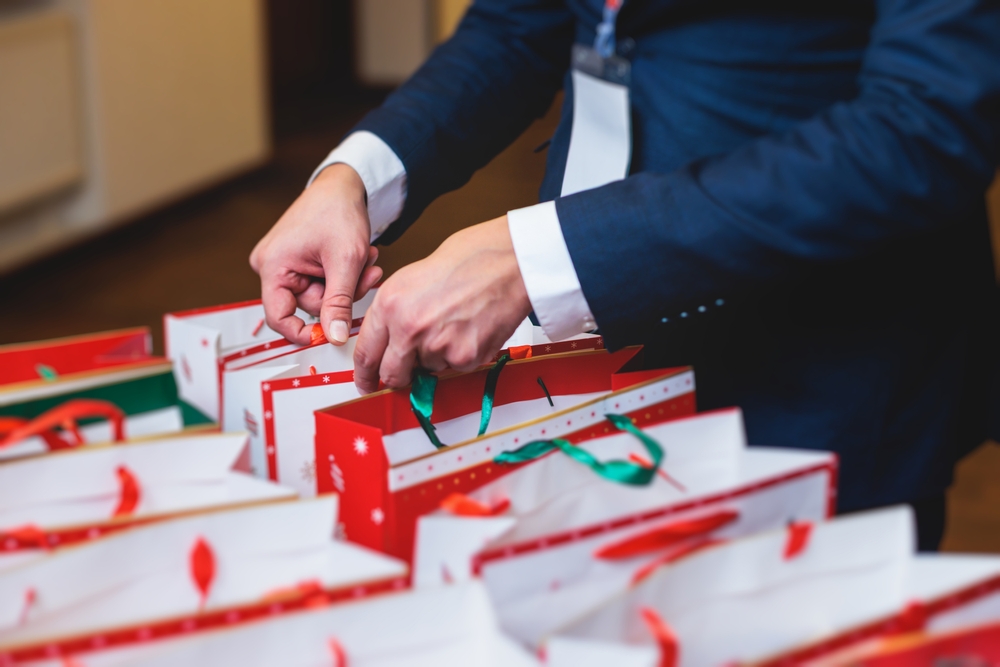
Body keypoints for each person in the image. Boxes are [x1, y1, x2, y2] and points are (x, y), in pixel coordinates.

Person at [250, 0, 1000, 550]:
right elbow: (518, 24)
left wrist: (537, 260)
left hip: (822, 366)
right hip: (580, 347)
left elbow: (922, 130)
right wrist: (355, 176)